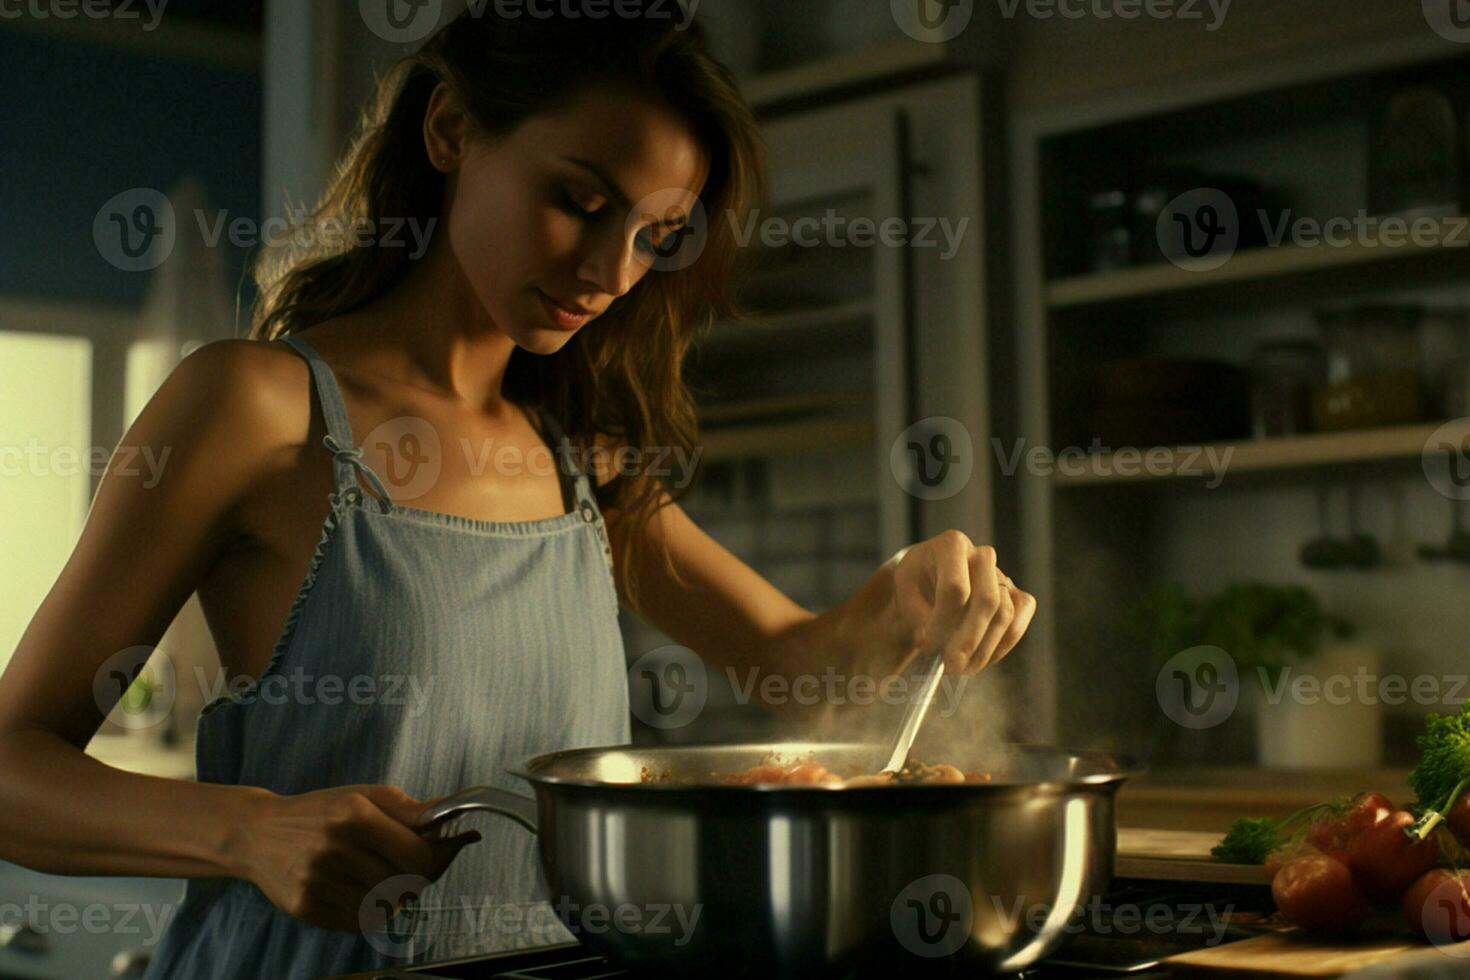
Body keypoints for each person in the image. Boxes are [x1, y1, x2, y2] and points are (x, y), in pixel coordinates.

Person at [0, 8, 1035, 978]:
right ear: (450, 129)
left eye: (652, 236)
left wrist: (906, 592)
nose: (609, 268)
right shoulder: (257, 408)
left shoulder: (581, 453)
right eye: (579, 201)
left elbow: (799, 672)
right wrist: (244, 830)